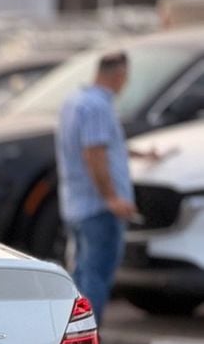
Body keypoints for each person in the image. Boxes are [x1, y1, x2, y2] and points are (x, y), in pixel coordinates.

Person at [55, 51, 160, 323]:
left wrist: (140, 155)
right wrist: (112, 198)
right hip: (98, 208)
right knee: (96, 275)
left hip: (76, 204)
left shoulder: (74, 102)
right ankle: (88, 339)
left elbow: (102, 147)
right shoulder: (98, 107)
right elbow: (94, 153)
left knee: (80, 273)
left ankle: (72, 335)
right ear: (119, 76)